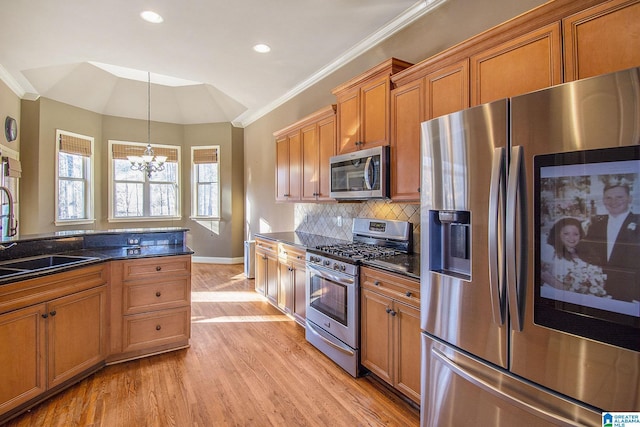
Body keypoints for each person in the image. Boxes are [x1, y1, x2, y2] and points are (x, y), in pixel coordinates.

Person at [579, 183, 640, 302]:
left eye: (619, 197)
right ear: (603, 200)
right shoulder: (596, 224)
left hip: (632, 293)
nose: (614, 202)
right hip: (600, 291)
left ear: (629, 199)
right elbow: (586, 252)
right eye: (608, 198)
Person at [541, 217, 607, 296]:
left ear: (580, 235)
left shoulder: (587, 253)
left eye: (575, 234)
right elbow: (544, 275)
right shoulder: (550, 252)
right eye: (566, 234)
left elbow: (599, 277)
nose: (571, 238)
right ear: (558, 234)